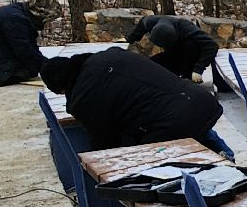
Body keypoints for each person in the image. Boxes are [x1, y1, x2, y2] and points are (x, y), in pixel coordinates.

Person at [40, 47, 233, 159]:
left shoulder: (85, 96)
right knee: (177, 111)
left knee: (144, 156)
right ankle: (225, 155)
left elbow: (105, 143)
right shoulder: (111, 55)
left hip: (175, 123)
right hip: (199, 100)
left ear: (62, 86)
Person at [125, 14, 219, 80]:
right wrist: (128, 41)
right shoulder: (150, 22)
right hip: (172, 51)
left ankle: (187, 77)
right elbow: (140, 26)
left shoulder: (187, 27)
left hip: (189, 53)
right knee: (151, 66)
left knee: (190, 46)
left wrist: (198, 70)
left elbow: (212, 46)